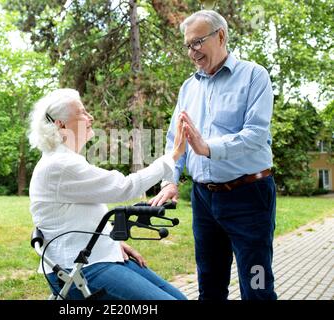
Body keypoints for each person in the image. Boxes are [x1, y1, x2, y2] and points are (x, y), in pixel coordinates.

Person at [149, 10, 278, 300]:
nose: (192, 52)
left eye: (197, 42)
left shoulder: (254, 76)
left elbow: (256, 135)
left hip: (249, 196)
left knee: (257, 286)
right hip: (204, 200)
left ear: (221, 36)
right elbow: (176, 140)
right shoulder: (188, 87)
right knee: (209, 285)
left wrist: (207, 148)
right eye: (188, 45)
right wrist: (170, 181)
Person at [27, 88, 187, 300]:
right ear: (61, 124)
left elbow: (79, 217)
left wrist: (112, 243)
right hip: (79, 270)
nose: (90, 117)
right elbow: (124, 187)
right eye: (82, 112)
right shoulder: (60, 165)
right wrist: (174, 156)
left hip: (93, 258)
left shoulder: (65, 160)